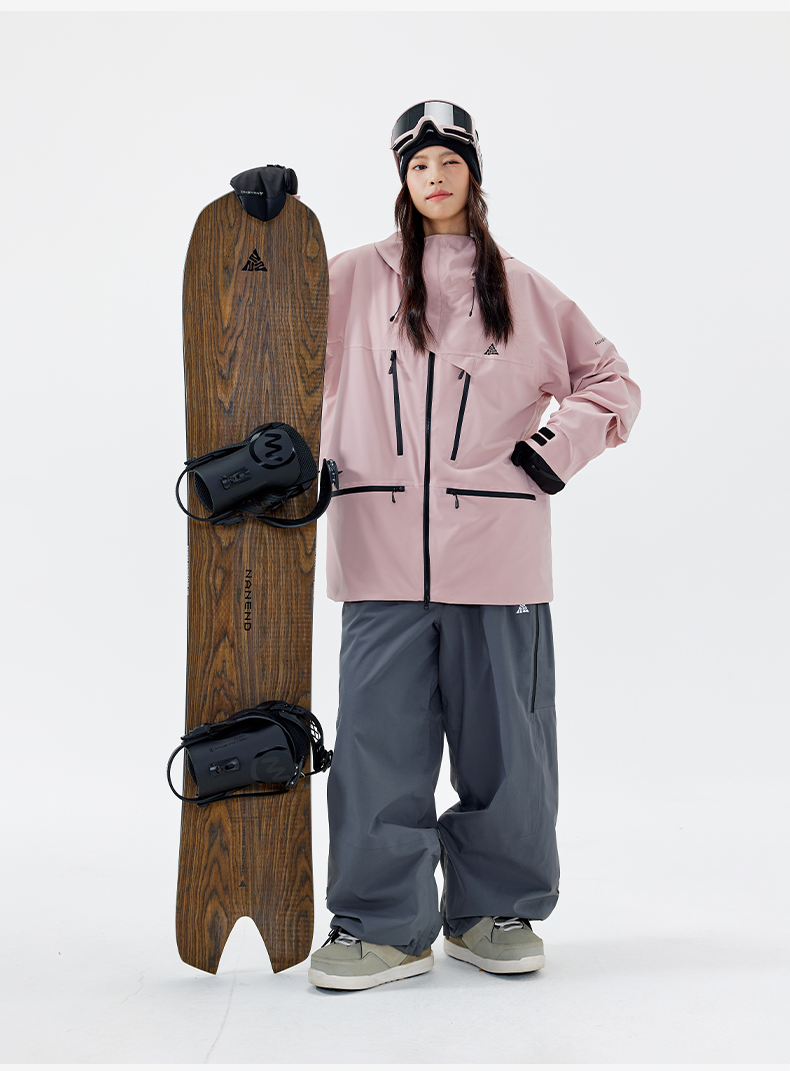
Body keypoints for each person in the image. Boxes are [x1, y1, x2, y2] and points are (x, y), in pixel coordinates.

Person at [307, 101, 641, 990]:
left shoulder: (523, 290)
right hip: (377, 553)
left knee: (508, 749)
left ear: (473, 175)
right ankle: (382, 925)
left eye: (449, 161)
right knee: (376, 747)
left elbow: (612, 382)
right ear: (402, 179)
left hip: (498, 556)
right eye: (419, 164)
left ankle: (496, 912)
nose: (435, 176)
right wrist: (263, 231)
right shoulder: (348, 279)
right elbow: (263, 336)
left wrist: (549, 451)